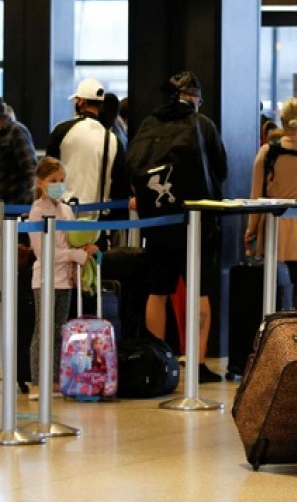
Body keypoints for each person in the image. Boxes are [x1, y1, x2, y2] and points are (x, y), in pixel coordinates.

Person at [129, 70, 228, 383]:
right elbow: (221, 169)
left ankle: (158, 359)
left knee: (157, 290)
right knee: (200, 292)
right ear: (194, 97)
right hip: (197, 222)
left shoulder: (149, 124)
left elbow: (132, 167)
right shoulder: (202, 124)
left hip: (158, 222)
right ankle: (197, 363)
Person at [245, 97, 297, 306]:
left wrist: (251, 231)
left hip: (271, 226)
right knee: (295, 282)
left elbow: (256, 197)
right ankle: (292, 324)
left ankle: (272, 327)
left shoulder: (267, 152)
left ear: (282, 120)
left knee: (271, 288)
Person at [27, 156, 100, 400]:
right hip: (45, 280)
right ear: (40, 183)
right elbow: (43, 253)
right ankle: (37, 381)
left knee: (60, 331)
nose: (59, 185)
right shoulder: (37, 212)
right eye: (53, 181)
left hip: (65, 281)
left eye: (62, 181)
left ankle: (56, 378)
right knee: (43, 330)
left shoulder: (66, 210)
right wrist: (75, 255)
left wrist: (86, 249)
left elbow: (73, 239)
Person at [46, 78, 128, 222]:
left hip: (64, 216)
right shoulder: (113, 139)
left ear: (81, 101)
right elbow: (120, 184)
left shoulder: (63, 130)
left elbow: (49, 174)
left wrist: (49, 208)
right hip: (99, 220)